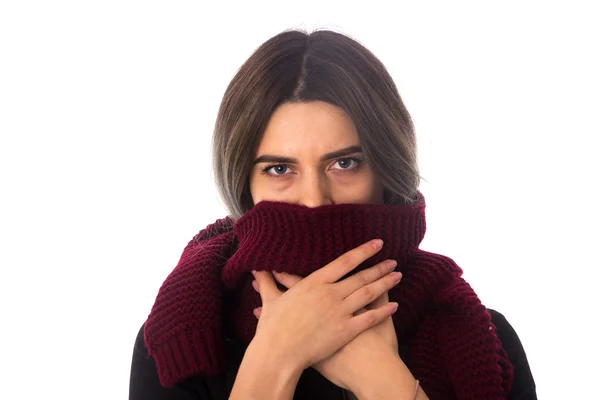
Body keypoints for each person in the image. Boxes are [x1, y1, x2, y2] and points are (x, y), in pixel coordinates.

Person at [129, 29, 536, 400]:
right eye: (279, 169)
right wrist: (275, 358)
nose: (314, 201)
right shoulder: (180, 338)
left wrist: (384, 382)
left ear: (387, 171)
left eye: (344, 164)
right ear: (245, 185)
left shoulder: (480, 336)